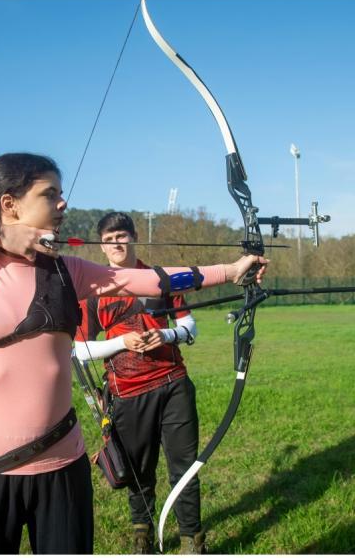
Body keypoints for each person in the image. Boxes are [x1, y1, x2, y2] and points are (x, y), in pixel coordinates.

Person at [0, 152, 267, 554]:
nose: (63, 202)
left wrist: (229, 271)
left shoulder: (68, 270)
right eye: (50, 194)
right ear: (10, 204)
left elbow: (153, 281)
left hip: (63, 468)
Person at [73, 212, 207, 554]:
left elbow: (189, 326)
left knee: (184, 466)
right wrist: (122, 342)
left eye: (121, 236)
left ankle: (192, 539)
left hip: (173, 384)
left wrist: (166, 335)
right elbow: (80, 350)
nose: (116, 244)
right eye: (108, 239)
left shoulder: (161, 279)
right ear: (101, 247)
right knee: (137, 470)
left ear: (134, 237)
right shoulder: (93, 290)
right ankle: (142, 535)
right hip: (127, 393)